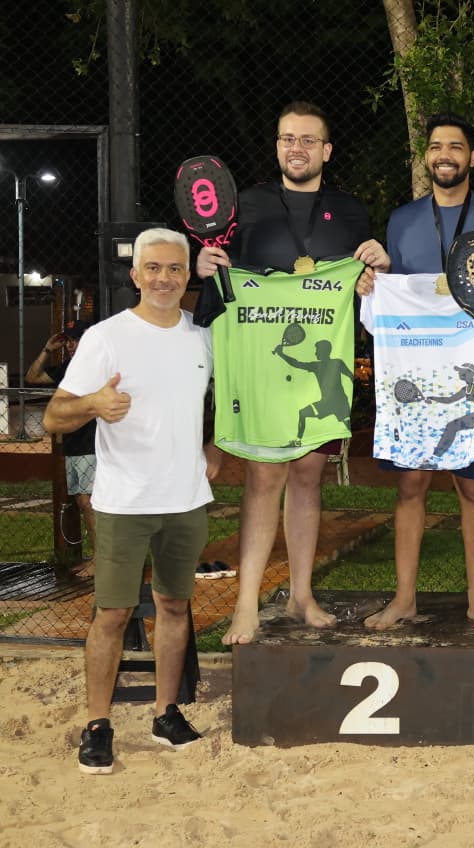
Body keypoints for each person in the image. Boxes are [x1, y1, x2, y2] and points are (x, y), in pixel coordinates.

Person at [195, 100, 390, 645]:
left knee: (307, 477)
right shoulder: (245, 205)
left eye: (308, 140)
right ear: (277, 145)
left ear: (326, 150)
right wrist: (202, 265)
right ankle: (245, 605)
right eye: (287, 139)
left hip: (319, 369)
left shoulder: (350, 212)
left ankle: (302, 595)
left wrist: (374, 268)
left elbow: (359, 285)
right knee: (263, 478)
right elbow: (218, 272)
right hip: (263, 362)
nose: (296, 148)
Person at [43, 229, 222, 774]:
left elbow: (228, 401)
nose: (164, 278)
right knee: (113, 613)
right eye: (154, 269)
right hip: (123, 501)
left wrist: (213, 448)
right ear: (136, 274)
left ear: (188, 274)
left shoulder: (204, 338)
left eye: (174, 269)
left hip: (186, 498)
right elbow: (54, 416)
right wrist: (94, 402)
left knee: (172, 604)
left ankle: (167, 713)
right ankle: (97, 723)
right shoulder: (107, 337)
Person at [363, 113, 474, 633]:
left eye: (455, 145)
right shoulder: (402, 221)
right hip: (416, 377)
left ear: (473, 158)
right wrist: (374, 282)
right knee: (410, 486)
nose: (444, 154)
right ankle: (404, 598)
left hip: (472, 377)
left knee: (472, 490)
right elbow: (396, 294)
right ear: (425, 158)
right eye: (435, 147)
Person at [26, 320, 97, 573]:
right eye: (67, 340)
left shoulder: (96, 367)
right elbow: (32, 377)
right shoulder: (69, 368)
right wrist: (47, 349)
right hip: (74, 443)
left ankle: (102, 560)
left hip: (92, 442)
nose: (69, 345)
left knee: (89, 501)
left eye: (74, 339)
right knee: (82, 500)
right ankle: (100, 558)